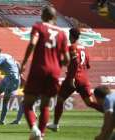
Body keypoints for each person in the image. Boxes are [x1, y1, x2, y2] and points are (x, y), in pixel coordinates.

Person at [20, 6, 70, 139]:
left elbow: (32, 43)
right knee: (45, 105)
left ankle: (34, 129)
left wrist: (24, 62)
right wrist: (57, 65)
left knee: (27, 103)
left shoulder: (39, 27)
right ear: (55, 17)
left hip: (39, 68)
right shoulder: (62, 33)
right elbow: (67, 59)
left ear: (42, 16)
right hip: (54, 72)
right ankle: (41, 135)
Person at [47, 28, 103, 132]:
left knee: (60, 99)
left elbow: (75, 62)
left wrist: (72, 78)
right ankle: (110, 114)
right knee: (90, 103)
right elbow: (88, 65)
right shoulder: (84, 48)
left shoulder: (72, 47)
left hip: (73, 78)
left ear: (70, 36)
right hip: (84, 78)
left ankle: (55, 124)